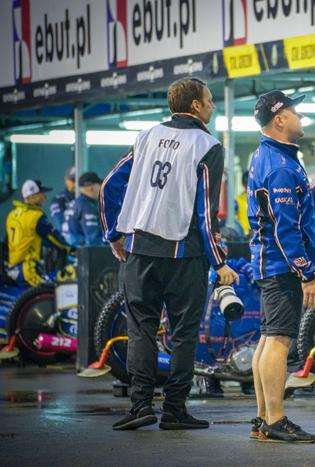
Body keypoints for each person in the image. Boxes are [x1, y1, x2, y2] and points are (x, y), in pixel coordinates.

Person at [100, 77, 238, 431]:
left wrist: (114, 233)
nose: (213, 105)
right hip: (184, 254)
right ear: (195, 106)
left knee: (142, 330)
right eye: (210, 100)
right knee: (183, 333)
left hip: (139, 250)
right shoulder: (207, 145)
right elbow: (206, 213)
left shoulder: (145, 137)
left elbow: (109, 186)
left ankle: (140, 406)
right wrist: (219, 263)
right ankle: (175, 409)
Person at [247, 90, 315, 443]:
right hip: (281, 266)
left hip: (270, 264)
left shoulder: (270, 156)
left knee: (267, 338)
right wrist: (306, 272)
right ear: (279, 119)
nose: (300, 119)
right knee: (278, 341)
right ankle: (275, 419)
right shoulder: (278, 166)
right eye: (296, 113)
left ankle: (263, 418)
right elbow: (285, 227)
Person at [6, 179, 71, 287]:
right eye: (41, 194)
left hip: (12, 268)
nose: (44, 197)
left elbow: (26, 238)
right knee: (51, 293)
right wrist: (71, 248)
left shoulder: (12, 215)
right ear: (32, 196)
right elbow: (55, 239)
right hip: (28, 269)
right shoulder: (35, 217)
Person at [69, 172, 104, 246]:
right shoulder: (87, 207)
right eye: (99, 184)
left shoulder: (79, 202)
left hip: (75, 250)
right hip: (84, 253)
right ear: (91, 188)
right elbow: (93, 240)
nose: (101, 188)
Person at [49, 166, 76, 244]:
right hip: (67, 243)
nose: (75, 183)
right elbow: (60, 225)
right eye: (73, 180)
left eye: (78, 180)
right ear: (66, 180)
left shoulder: (89, 198)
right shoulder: (58, 200)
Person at [235, 171, 250, 236]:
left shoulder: (259, 199)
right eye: (246, 183)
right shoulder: (237, 200)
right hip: (242, 236)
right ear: (242, 184)